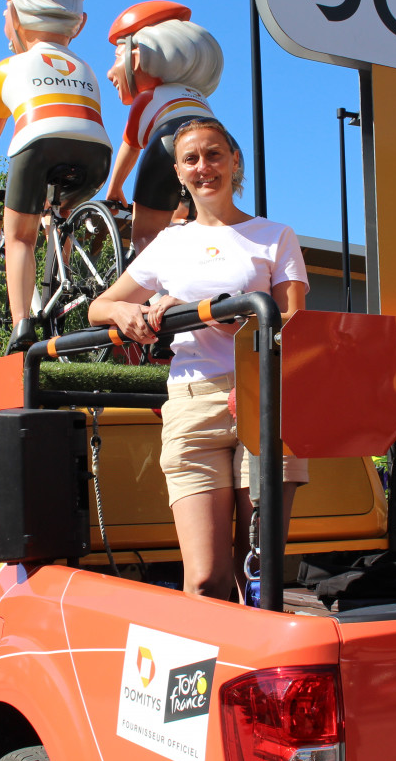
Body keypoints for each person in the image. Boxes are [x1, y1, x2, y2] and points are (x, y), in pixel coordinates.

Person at [89, 118, 308, 601]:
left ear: (233, 161)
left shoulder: (274, 235)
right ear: (179, 172)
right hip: (192, 401)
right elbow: (98, 306)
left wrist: (219, 321)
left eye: (213, 155)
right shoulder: (170, 242)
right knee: (206, 578)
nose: (203, 167)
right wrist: (127, 311)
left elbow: (295, 324)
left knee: (259, 570)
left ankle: (255, 667)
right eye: (191, 159)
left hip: (265, 394)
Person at [0, 0, 112, 353]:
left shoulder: (7, 67)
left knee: (19, 235)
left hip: (38, 142)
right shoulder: (86, 67)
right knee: (60, 216)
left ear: (14, 17)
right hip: (97, 150)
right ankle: (60, 288)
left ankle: (22, 325)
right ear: (78, 23)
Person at [103, 1, 222, 255]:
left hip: (169, 143)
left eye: (115, 59)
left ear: (135, 59)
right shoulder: (200, 99)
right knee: (205, 225)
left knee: (145, 235)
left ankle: (152, 293)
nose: (109, 73)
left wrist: (114, 190)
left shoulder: (148, 98)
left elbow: (130, 147)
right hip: (224, 148)